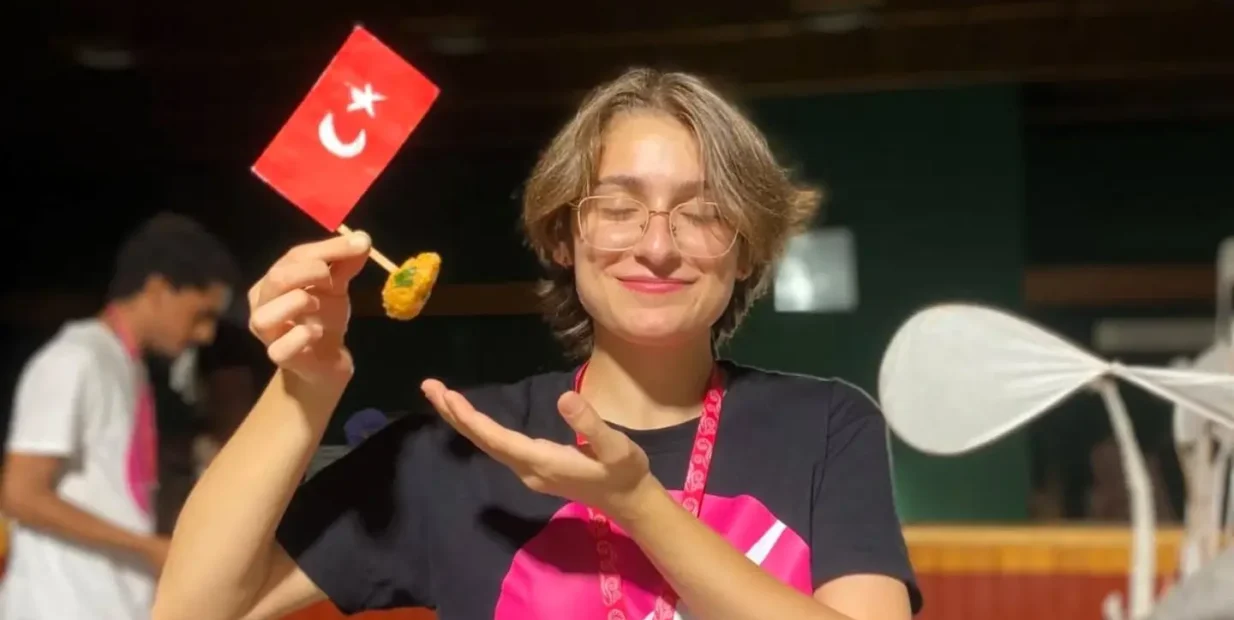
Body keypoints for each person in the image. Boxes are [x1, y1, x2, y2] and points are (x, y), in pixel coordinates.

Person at [155, 69, 921, 620]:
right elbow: (191, 608)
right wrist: (305, 387)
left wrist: (637, 506)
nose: (658, 246)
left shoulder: (826, 427)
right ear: (562, 237)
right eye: (617, 208)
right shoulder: (460, 448)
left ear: (746, 248)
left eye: (703, 212)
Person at [2, 212, 238, 619]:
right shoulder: (74, 359)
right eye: (201, 314)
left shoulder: (127, 364)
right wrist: (148, 548)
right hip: (59, 606)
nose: (206, 334)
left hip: (113, 602)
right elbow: (21, 494)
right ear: (158, 290)